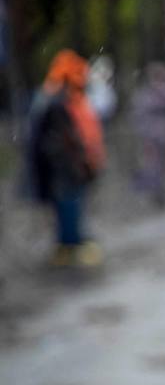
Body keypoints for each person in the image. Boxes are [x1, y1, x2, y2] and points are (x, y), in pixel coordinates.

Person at [27, 49, 105, 267]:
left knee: (70, 205)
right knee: (69, 205)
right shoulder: (56, 102)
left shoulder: (58, 99)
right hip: (65, 168)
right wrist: (77, 156)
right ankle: (70, 245)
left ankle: (68, 244)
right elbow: (57, 138)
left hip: (68, 167)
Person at [132, 63, 165, 209]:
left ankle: (161, 196)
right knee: (155, 169)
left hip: (163, 137)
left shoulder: (156, 94)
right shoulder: (148, 96)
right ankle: (157, 196)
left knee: (162, 169)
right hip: (155, 138)